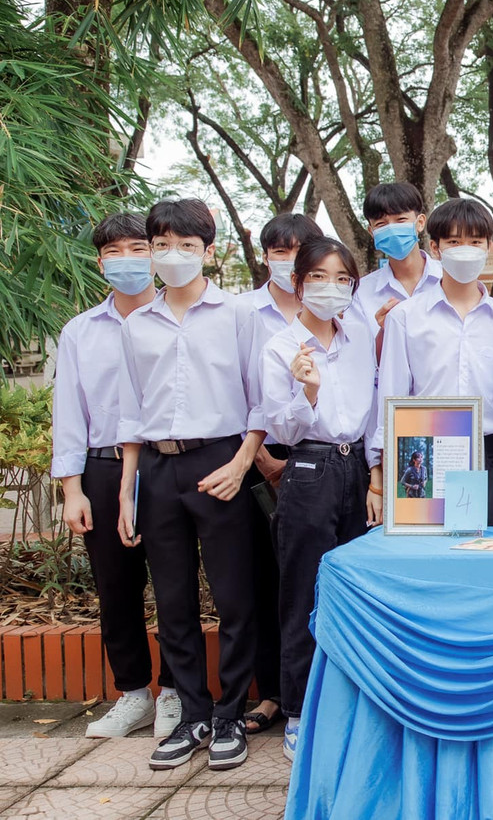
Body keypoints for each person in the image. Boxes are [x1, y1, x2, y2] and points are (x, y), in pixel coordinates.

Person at [115, 198, 262, 771]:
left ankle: (229, 715)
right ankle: (193, 715)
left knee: (233, 597)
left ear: (209, 250)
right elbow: (130, 409)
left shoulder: (238, 315)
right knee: (171, 600)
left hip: (220, 461)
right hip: (157, 468)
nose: (172, 256)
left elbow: (260, 400)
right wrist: (129, 487)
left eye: (186, 246)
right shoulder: (137, 324)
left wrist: (243, 462)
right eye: (162, 245)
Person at [51, 213, 180, 740]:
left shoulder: (180, 320)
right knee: (116, 586)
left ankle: (176, 691)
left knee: (175, 585)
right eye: (114, 252)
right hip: (103, 469)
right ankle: (133, 694)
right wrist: (72, 488)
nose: (127, 260)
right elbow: (69, 413)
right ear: (99, 261)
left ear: (155, 253)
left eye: (137, 248)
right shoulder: (81, 332)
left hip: (167, 462)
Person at [257, 236, 378, 762]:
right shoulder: (281, 347)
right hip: (308, 466)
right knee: (303, 592)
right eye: (319, 279)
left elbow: (376, 407)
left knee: (354, 589)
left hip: (357, 467)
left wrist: (375, 477)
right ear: (298, 284)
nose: (332, 289)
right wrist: (306, 391)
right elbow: (277, 426)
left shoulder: (362, 334)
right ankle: (300, 711)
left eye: (343, 279)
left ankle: (349, 704)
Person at [374, 199, 493, 519]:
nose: (464, 249)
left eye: (474, 241)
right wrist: (382, 480)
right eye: (454, 242)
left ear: (488, 247)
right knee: (428, 557)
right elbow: (391, 398)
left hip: (488, 455)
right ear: (435, 247)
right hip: (425, 451)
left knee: (486, 555)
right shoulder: (405, 316)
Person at [237, 212, 324, 736]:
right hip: (259, 458)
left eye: (302, 250)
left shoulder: (341, 313)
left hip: (318, 460)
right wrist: (262, 458)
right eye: (280, 249)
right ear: (266, 254)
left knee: (311, 578)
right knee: (270, 580)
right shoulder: (244, 312)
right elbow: (241, 389)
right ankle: (273, 693)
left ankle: (316, 694)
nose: (290, 259)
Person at [351, 182, 442, 331]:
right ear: (371, 232)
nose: (392, 229)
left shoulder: (449, 278)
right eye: (381, 224)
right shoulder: (361, 294)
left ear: (420, 223)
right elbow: (358, 350)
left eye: (401, 220)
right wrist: (383, 332)